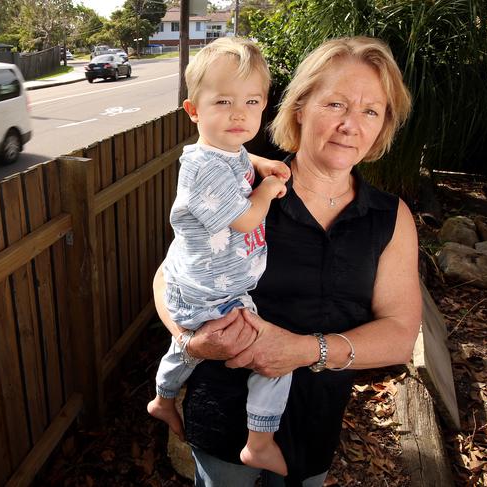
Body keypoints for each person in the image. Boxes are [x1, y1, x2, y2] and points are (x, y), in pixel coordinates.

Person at [153, 36, 422, 486]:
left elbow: (398, 336)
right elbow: (170, 277)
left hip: (314, 423)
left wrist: (302, 350)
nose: (350, 125)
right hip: (223, 413)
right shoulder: (244, 188)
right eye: (336, 104)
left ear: (382, 126)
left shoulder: (389, 217)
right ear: (300, 107)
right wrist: (191, 340)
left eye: (370, 111)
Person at [146, 37, 291, 475]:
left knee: (186, 348)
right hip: (215, 291)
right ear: (194, 111)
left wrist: (260, 165)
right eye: (223, 101)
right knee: (271, 359)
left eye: (251, 101)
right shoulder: (204, 167)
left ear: (264, 105)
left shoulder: (224, 150)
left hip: (203, 280)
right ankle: (260, 441)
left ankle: (163, 398)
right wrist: (266, 189)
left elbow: (239, 158)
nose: (239, 114)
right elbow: (245, 221)